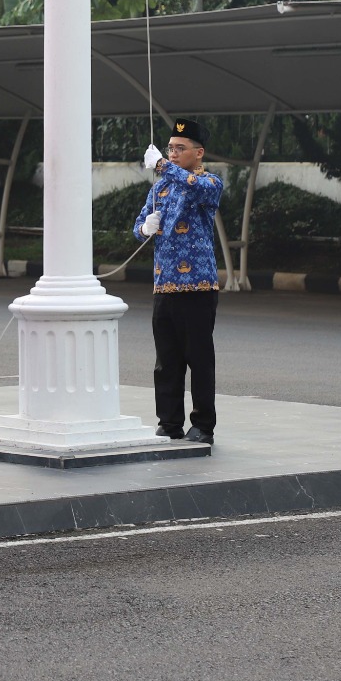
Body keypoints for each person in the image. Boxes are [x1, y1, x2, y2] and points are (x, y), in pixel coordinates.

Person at [134, 119, 225, 446]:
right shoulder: (159, 188)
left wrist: (160, 165)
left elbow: (194, 186)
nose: (172, 153)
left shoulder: (209, 182)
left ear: (198, 153)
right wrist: (145, 228)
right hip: (164, 286)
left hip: (198, 288)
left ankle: (202, 425)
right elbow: (137, 227)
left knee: (199, 359)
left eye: (180, 148)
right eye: (170, 148)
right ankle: (169, 422)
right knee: (166, 362)